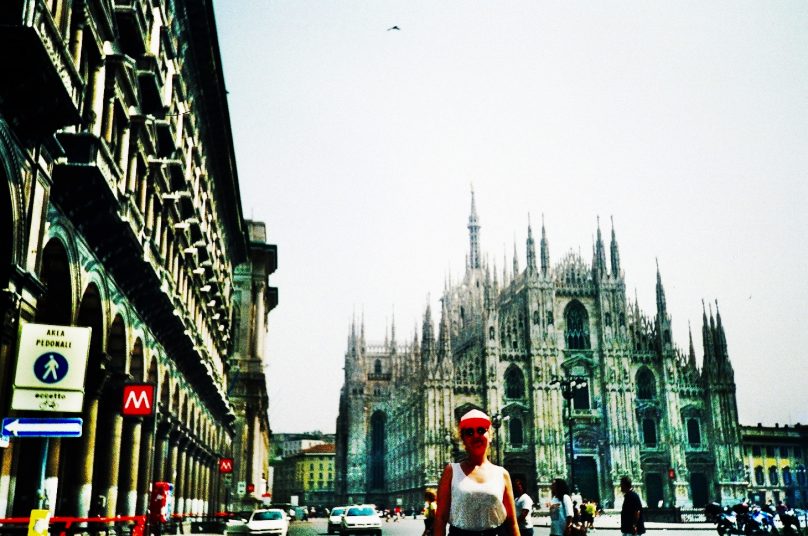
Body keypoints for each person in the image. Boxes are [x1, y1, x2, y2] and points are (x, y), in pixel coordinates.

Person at [434, 409, 520, 536]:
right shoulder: (451, 471)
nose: (475, 436)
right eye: (469, 432)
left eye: (481, 430)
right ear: (463, 439)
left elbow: (512, 523)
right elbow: (440, 519)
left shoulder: (502, 474)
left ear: (490, 436)